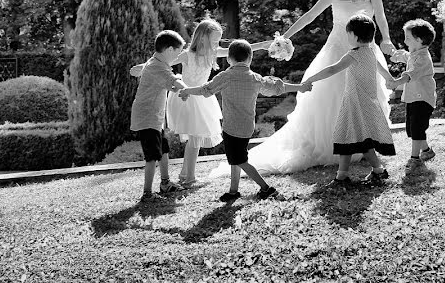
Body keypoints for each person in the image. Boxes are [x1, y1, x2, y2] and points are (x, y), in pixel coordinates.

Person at [220, 0, 397, 175]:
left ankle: (365, 144)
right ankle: (334, 145)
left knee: (365, 96)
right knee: (331, 95)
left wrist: (388, 40)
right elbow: (311, 15)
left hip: (364, 46)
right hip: (336, 48)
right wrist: (286, 36)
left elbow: (380, 17)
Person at [130, 19, 269, 187]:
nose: (217, 44)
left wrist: (263, 45)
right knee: (195, 138)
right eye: (215, 40)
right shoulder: (187, 54)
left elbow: (240, 49)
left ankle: (185, 175)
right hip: (186, 96)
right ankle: (189, 178)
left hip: (201, 97)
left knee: (196, 138)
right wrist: (141, 68)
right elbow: (161, 63)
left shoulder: (213, 53)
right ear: (203, 37)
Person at [179, 39, 311, 201]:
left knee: (239, 160)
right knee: (236, 159)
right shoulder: (255, 78)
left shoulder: (225, 76)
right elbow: (278, 87)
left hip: (231, 127)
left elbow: (205, 89)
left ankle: (266, 188)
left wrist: (187, 90)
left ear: (229, 59)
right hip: (247, 126)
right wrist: (300, 87)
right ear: (250, 59)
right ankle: (233, 191)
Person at [304, 14, 403, 187]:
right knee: (353, 139)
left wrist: (311, 78)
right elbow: (382, 71)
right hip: (364, 102)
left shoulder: (353, 55)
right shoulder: (371, 53)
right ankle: (353, 174)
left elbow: (332, 69)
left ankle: (361, 174)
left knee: (354, 139)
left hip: (356, 102)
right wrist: (391, 80)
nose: (347, 37)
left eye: (348, 34)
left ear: (355, 36)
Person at [129, 30, 187, 201]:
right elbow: (176, 83)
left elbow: (171, 85)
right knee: (152, 156)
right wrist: (187, 88)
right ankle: (147, 194)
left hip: (155, 117)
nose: (177, 57)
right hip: (148, 117)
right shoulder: (157, 66)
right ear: (169, 50)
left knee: (163, 150)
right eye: (177, 53)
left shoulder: (156, 63)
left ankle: (165, 183)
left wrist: (179, 86)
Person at [389, 19, 438, 166]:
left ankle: (415, 158)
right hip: (413, 98)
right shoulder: (414, 53)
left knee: (417, 128)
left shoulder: (423, 58)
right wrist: (392, 53)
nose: (405, 40)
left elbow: (411, 73)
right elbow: (403, 56)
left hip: (423, 99)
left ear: (419, 40)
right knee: (412, 129)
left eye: (408, 38)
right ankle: (427, 150)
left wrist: (396, 82)